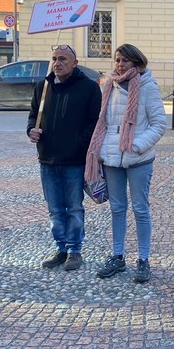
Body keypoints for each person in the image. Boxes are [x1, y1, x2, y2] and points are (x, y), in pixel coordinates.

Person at [85, 44, 166, 283]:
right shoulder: (109, 85)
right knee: (117, 208)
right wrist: (101, 149)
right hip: (112, 156)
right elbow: (104, 122)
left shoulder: (148, 86)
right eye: (117, 60)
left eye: (125, 61)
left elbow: (158, 124)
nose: (120, 65)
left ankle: (143, 259)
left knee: (140, 209)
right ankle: (117, 256)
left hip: (138, 157)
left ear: (137, 64)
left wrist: (138, 145)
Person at [28, 44, 101, 271]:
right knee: (55, 209)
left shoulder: (88, 88)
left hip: (74, 160)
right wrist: (31, 130)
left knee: (74, 207)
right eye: (54, 59)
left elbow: (95, 122)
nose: (57, 63)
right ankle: (60, 248)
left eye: (63, 59)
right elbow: (32, 118)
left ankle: (74, 250)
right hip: (47, 159)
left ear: (74, 63)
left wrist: (79, 144)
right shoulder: (43, 87)